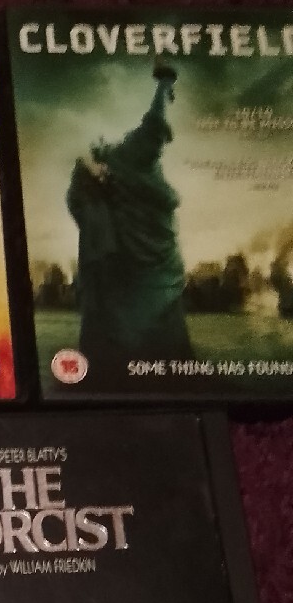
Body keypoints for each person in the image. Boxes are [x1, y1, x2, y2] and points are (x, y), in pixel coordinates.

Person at [66, 64, 193, 384]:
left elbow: (153, 125)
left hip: (153, 260)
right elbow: (153, 125)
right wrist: (164, 84)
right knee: (131, 320)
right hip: (134, 264)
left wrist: (164, 85)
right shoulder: (116, 173)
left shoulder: (127, 161)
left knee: (154, 322)